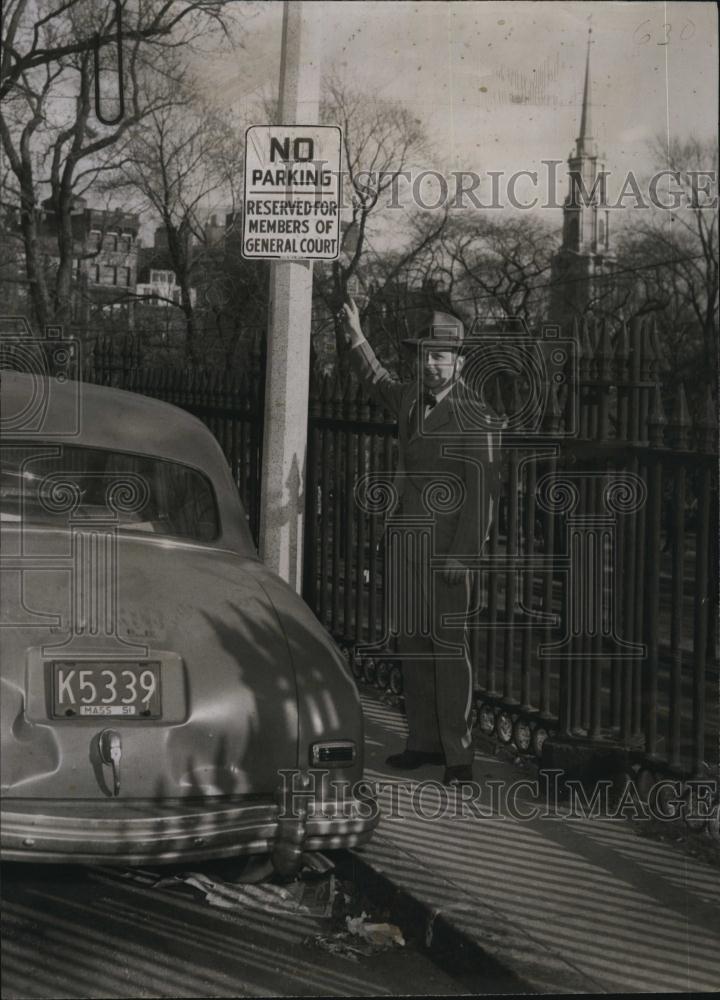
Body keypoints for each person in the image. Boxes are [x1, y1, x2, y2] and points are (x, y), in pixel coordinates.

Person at [341, 299, 502, 786]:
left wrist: (464, 555)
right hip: (407, 541)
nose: (431, 365)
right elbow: (376, 381)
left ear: (460, 360)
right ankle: (423, 743)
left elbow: (484, 494)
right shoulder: (411, 396)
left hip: (450, 551)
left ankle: (459, 755)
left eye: (440, 356)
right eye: (425, 356)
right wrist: (356, 333)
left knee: (450, 650)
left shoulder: (478, 414)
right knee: (413, 643)